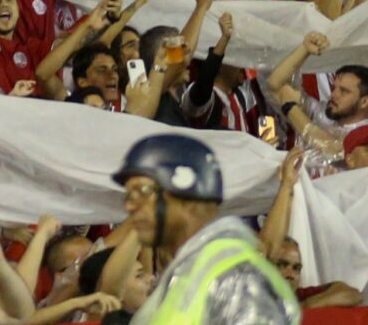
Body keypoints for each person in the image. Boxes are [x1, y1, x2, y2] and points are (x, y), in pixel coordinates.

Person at [106, 132, 294, 325]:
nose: (130, 206)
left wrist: (287, 186)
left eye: (144, 192)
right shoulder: (166, 263)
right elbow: (109, 291)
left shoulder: (228, 268)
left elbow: (267, 248)